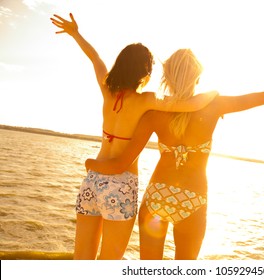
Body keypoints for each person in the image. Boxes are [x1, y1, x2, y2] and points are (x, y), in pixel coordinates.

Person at [85, 49, 264, 259]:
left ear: (166, 77)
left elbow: (122, 161)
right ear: (197, 77)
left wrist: (91, 163)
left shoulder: (154, 114)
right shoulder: (213, 106)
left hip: (157, 198)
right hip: (194, 199)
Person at [50, 14, 217, 260]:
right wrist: (213, 95)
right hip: (120, 184)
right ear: (146, 73)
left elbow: (95, 59)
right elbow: (187, 105)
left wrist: (76, 34)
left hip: (92, 181)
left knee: (81, 259)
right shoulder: (146, 101)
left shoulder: (107, 89)